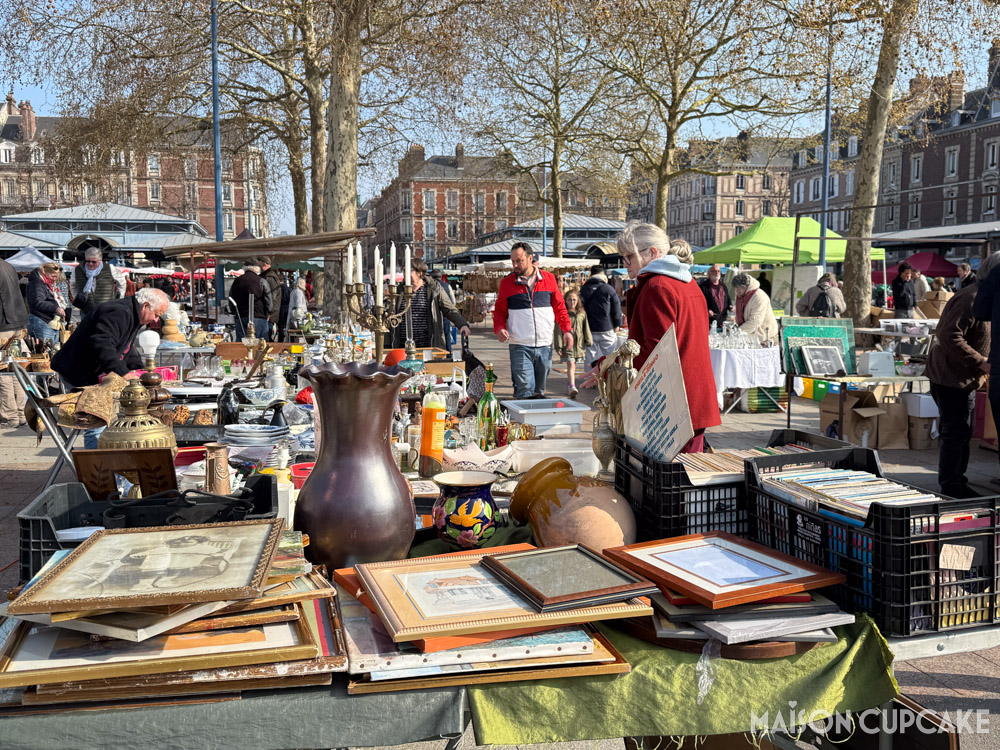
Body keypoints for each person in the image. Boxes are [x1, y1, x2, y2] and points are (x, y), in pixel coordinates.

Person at [616, 221, 720, 453]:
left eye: (628, 257)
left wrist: (610, 366)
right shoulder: (687, 282)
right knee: (687, 476)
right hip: (691, 397)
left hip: (671, 403)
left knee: (672, 479)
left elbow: (655, 352)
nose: (625, 264)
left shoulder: (657, 286)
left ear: (652, 252)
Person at [929, 252, 1000, 497]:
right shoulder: (971, 298)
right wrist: (981, 361)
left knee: (961, 432)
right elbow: (948, 334)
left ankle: (957, 480)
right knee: (956, 432)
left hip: (962, 378)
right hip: (951, 378)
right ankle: (952, 485)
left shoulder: (980, 296)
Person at [493, 242, 572, 399]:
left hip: (545, 345)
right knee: (525, 390)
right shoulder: (506, 284)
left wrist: (567, 330)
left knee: (539, 392)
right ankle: (524, 421)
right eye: (513, 261)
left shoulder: (549, 279)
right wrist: (500, 328)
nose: (515, 265)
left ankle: (536, 423)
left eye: (519, 260)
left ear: (530, 258)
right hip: (520, 345)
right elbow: (500, 312)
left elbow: (560, 308)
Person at [52, 288, 170, 389]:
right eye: (156, 314)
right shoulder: (119, 312)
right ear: (145, 306)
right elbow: (103, 344)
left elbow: (126, 347)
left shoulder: (132, 313)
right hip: (76, 370)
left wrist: (138, 369)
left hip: (86, 372)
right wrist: (122, 372)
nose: (156, 320)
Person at [390, 259, 470, 351]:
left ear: (419, 273)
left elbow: (449, 309)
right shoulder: (399, 291)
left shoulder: (433, 288)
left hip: (428, 346)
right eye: (404, 270)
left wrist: (462, 324)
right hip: (403, 348)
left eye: (408, 271)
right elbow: (391, 317)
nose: (405, 274)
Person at [0, 256, 28, 427]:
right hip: (17, 322)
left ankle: (9, 416)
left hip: (3, 325)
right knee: (15, 371)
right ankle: (20, 413)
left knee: (3, 373)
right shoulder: (7, 265)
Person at [580, 265, 622, 368]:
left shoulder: (584, 289)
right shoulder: (608, 289)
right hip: (606, 328)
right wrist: (617, 324)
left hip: (589, 329)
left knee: (589, 357)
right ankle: (608, 380)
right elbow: (616, 308)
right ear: (603, 275)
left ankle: (590, 381)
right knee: (610, 356)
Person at [554, 289, 592, 399]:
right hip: (567, 345)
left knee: (574, 365)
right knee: (571, 364)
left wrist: (589, 340)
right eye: (570, 300)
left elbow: (586, 328)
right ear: (565, 301)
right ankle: (572, 386)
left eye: (574, 300)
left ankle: (569, 385)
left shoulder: (582, 313)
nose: (572, 302)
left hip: (579, 345)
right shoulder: (562, 314)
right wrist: (558, 345)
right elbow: (557, 330)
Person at [229, 259, 272, 341]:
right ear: (257, 268)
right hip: (259, 316)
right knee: (261, 343)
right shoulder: (261, 281)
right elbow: (268, 300)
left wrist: (233, 311)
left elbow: (231, 298)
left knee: (242, 344)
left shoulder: (237, 281)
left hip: (242, 316)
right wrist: (269, 312)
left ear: (245, 267)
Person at [26, 262, 67, 346]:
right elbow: (38, 301)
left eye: (56, 276)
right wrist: (55, 308)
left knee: (50, 351)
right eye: (53, 276)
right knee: (44, 351)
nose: (55, 279)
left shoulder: (47, 284)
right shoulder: (36, 283)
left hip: (48, 321)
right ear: (44, 272)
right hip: (41, 321)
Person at [72, 248, 120, 318]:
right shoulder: (77, 270)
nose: (90, 264)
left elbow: (122, 283)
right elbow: (73, 286)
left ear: (100, 260)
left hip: (106, 310)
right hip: (86, 311)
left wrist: (118, 299)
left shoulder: (110, 268)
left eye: (94, 262)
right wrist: (79, 299)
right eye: (88, 261)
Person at [732, 273, 779, 343]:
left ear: (747, 286)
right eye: (735, 288)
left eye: (739, 288)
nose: (737, 290)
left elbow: (755, 321)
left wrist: (737, 331)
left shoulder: (759, 297)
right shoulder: (742, 296)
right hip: (751, 336)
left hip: (765, 336)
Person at [697, 264, 731, 330]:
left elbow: (728, 298)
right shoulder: (703, 287)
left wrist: (730, 305)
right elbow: (698, 303)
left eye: (718, 271)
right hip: (710, 322)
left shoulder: (723, 285)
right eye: (714, 271)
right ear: (709, 274)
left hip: (723, 321)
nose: (717, 273)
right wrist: (707, 310)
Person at [258, 256, 283, 341]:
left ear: (264, 264)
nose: (258, 266)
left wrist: (269, 312)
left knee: (265, 339)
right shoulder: (268, 276)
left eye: (259, 264)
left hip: (269, 315)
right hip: (269, 314)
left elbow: (272, 297)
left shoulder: (270, 277)